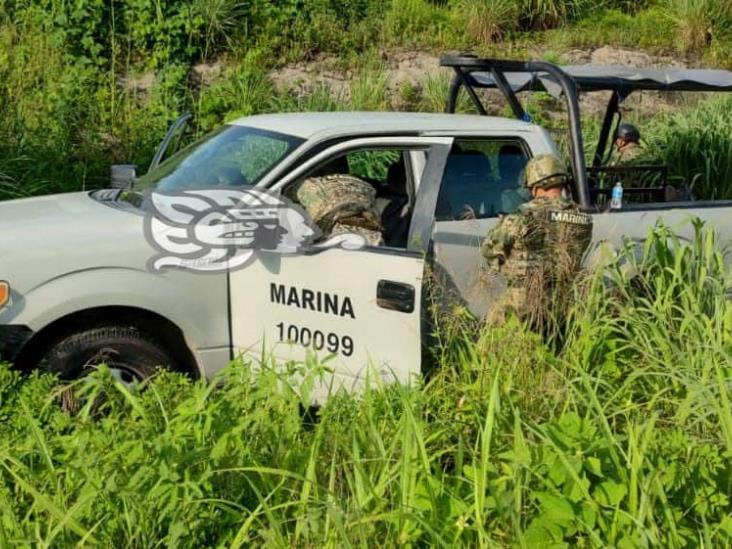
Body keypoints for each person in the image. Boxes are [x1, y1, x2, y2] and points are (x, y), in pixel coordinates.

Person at [482, 154, 593, 328]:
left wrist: (510, 269)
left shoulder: (521, 217)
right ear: (563, 182)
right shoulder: (583, 218)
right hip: (565, 301)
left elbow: (489, 251)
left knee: (495, 330)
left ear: (534, 187)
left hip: (523, 302)